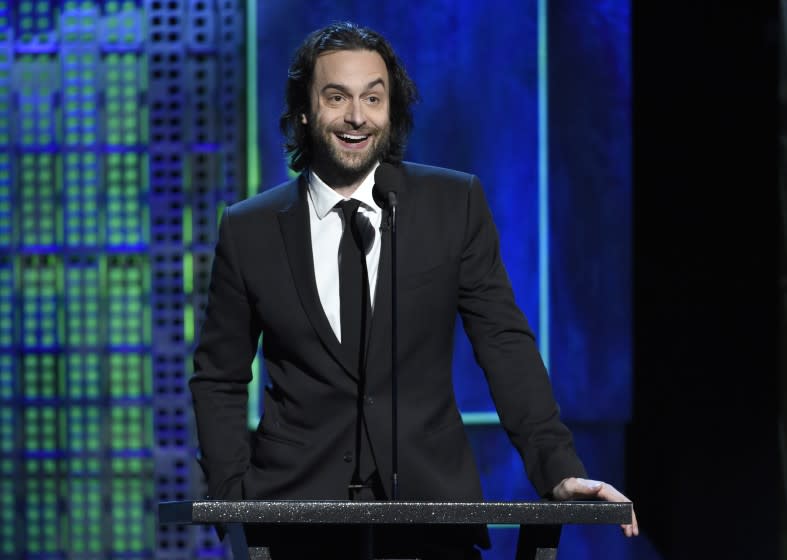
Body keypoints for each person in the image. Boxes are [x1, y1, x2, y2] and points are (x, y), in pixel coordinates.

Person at [190, 21, 638, 559]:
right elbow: (218, 376)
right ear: (305, 111)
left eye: (373, 98)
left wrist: (560, 470)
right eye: (337, 97)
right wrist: (232, 500)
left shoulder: (453, 204)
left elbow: (504, 345)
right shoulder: (249, 228)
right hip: (294, 519)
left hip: (430, 513)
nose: (357, 116)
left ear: (390, 108)